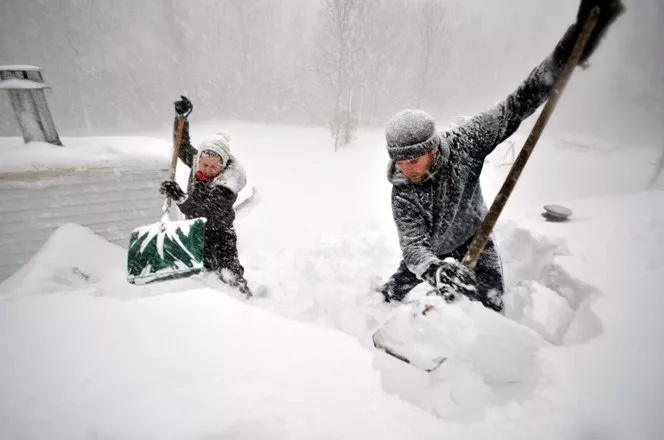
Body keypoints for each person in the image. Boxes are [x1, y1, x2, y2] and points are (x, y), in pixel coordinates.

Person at [379, 0, 625, 312]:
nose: (405, 169)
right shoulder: (402, 190)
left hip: (473, 238)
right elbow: (413, 246)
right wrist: (435, 269)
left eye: (412, 160)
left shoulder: (466, 144)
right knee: (390, 295)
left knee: (491, 304)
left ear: (433, 148)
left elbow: (517, 103)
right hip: (433, 252)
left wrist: (568, 50)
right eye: (399, 161)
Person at [160, 95, 253, 297]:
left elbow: (203, 213)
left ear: (223, 165)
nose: (208, 169)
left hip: (220, 233)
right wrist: (181, 119)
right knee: (206, 274)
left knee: (229, 273)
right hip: (197, 232)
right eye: (205, 164)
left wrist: (179, 196)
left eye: (214, 166)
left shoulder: (229, 181)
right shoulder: (198, 160)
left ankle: (245, 300)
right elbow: (181, 147)